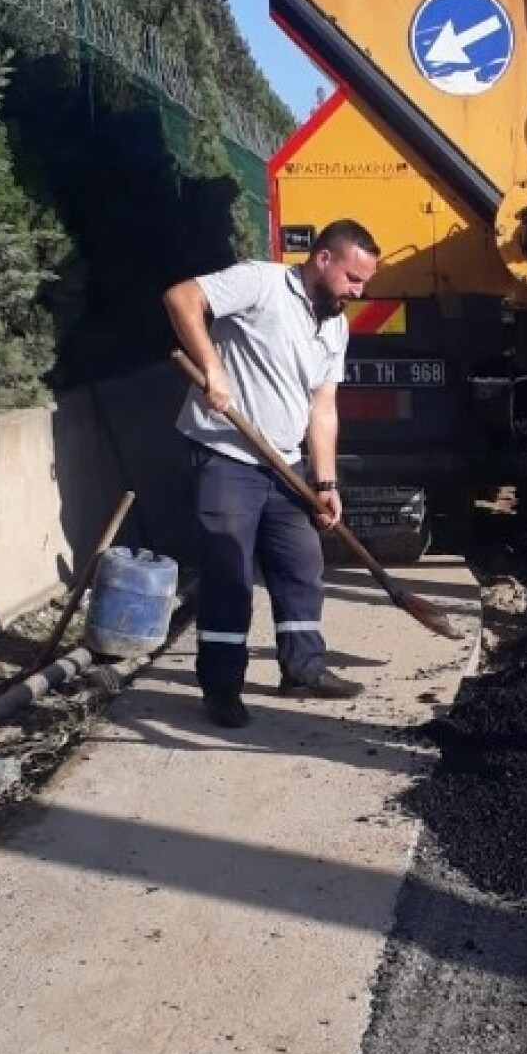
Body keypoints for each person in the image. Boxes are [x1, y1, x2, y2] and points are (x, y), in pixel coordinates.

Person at [163, 220, 380, 731]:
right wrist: (212, 367)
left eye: (364, 283)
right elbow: (180, 297)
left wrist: (325, 484)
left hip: (286, 463)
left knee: (301, 567)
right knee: (229, 572)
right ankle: (221, 688)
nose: (358, 291)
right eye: (352, 278)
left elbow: (322, 408)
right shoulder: (261, 283)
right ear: (323, 260)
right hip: (226, 456)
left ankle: (303, 672)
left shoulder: (335, 325)